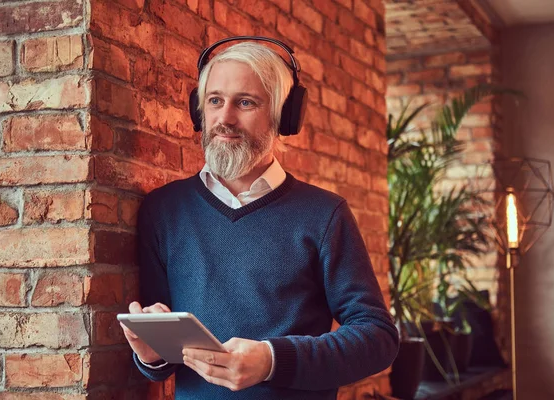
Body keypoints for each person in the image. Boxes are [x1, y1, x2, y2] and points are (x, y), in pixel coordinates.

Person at [120, 38, 399, 400]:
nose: (225, 118)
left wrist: (271, 360)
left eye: (246, 102)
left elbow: (377, 337)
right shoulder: (163, 210)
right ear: (199, 111)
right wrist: (152, 357)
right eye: (215, 100)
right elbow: (165, 354)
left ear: (284, 116)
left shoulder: (325, 215)